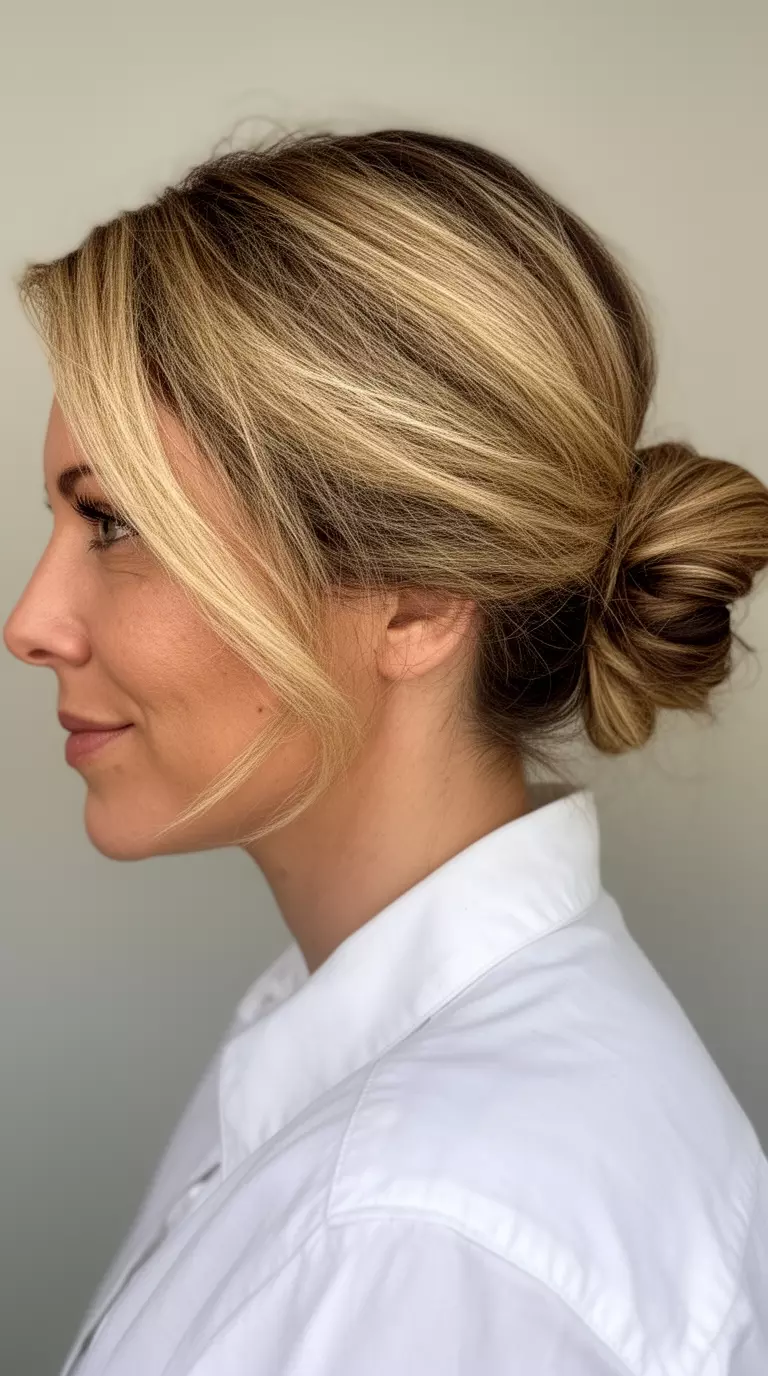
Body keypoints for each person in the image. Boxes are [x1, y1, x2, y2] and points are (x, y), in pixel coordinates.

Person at [4, 127, 768, 1376]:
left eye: (114, 523)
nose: (30, 622)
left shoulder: (418, 1240)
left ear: (412, 603)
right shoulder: (376, 1084)